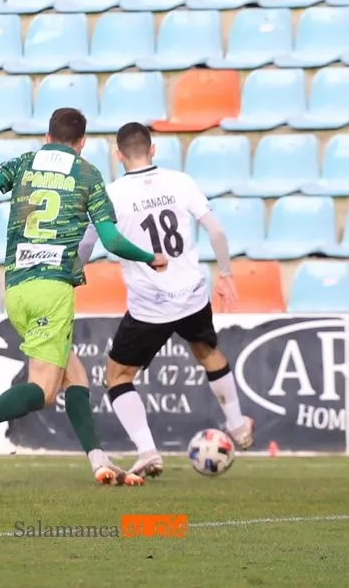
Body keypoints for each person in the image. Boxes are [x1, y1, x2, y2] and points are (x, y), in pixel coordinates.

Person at [0, 108, 167, 486]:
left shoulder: (23, 163)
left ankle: (98, 460)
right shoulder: (87, 174)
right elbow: (112, 240)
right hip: (52, 289)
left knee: (76, 379)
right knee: (43, 390)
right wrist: (150, 257)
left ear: (48, 136)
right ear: (82, 143)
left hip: (17, 288)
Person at [77, 122, 255, 479]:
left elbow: (85, 245)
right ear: (153, 149)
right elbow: (217, 230)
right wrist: (225, 274)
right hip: (191, 294)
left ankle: (148, 452)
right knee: (206, 350)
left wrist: (71, 276)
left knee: (117, 376)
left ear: (118, 155)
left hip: (150, 305)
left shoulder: (110, 194)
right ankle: (237, 426)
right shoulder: (180, 181)